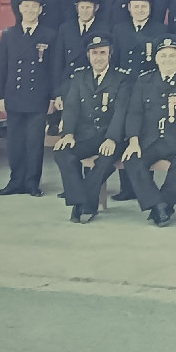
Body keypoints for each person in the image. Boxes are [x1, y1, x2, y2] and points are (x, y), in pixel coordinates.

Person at [120, 35, 176, 226]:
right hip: (149, 140)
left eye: (172, 56)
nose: (167, 60)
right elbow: (135, 113)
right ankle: (159, 205)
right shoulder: (144, 80)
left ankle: (162, 204)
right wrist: (133, 140)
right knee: (132, 160)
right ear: (156, 58)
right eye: (163, 56)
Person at [53, 34, 130, 224]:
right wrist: (68, 133)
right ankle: (82, 200)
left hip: (112, 137)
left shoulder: (121, 78)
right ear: (88, 55)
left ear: (110, 54)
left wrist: (112, 138)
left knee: (103, 162)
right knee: (62, 153)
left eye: (102, 53)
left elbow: (121, 112)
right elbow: (71, 107)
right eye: (94, 53)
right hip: (85, 135)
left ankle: (83, 207)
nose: (98, 57)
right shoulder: (80, 77)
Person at [0, 0, 56, 197]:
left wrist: (52, 97)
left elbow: (53, 69)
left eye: (34, 7)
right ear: (19, 9)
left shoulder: (49, 35)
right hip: (14, 96)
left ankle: (32, 183)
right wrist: (0, 97)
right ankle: (15, 181)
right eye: (26, 6)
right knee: (15, 143)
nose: (30, 10)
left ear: (40, 10)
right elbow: (1, 68)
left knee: (34, 143)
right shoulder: (9, 35)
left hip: (38, 98)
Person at [111, 0, 164, 203]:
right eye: (136, 6)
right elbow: (115, 60)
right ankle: (126, 188)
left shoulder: (159, 29)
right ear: (129, 8)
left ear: (150, 9)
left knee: (146, 134)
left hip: (149, 88)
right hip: (125, 87)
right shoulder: (119, 29)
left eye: (144, 6)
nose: (140, 10)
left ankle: (144, 186)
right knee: (126, 133)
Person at [50, 0, 110, 132]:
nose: (85, 11)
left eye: (88, 7)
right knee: (68, 130)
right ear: (76, 8)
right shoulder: (65, 28)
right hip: (69, 86)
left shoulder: (104, 28)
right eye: (82, 7)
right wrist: (57, 94)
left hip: (93, 87)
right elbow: (58, 63)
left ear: (96, 8)